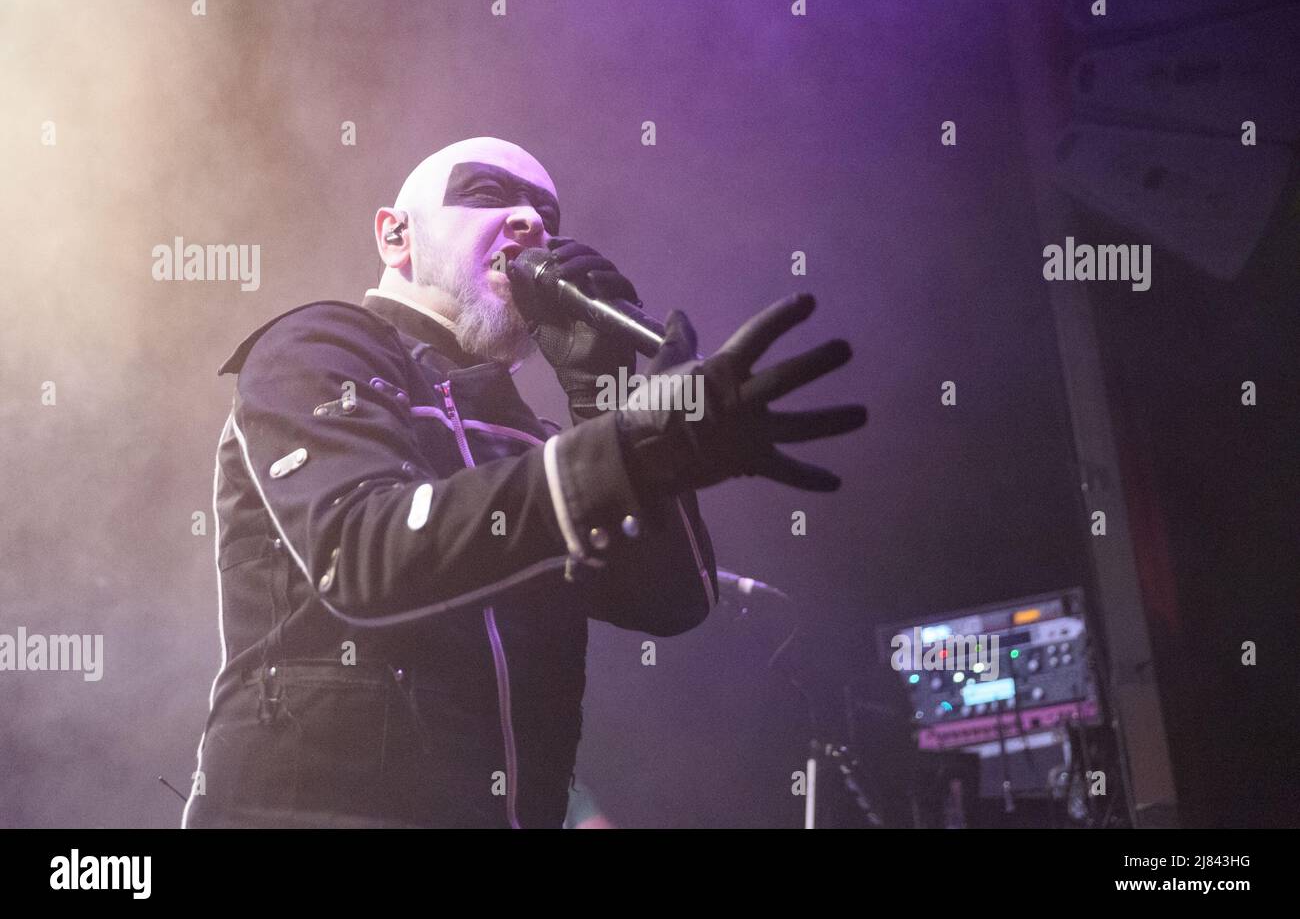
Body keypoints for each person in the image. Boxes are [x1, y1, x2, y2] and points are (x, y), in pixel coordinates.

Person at [181, 136, 866, 828]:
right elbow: (362, 550)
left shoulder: (533, 438)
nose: (531, 221)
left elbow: (672, 599)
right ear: (395, 236)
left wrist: (610, 401)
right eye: (487, 194)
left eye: (546, 211)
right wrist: (623, 449)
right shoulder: (316, 344)